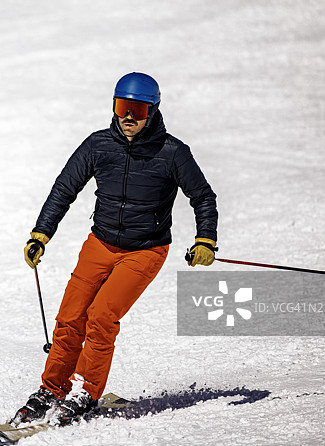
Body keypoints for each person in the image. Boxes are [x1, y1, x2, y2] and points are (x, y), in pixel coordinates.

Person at [11, 72, 218, 427]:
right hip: (100, 243)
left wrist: (205, 240)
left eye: (137, 109)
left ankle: (86, 391)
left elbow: (202, 196)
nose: (128, 116)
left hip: (145, 250)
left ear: (152, 111)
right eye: (122, 107)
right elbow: (64, 188)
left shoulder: (172, 153)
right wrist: (40, 234)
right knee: (71, 315)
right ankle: (52, 388)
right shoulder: (97, 145)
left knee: (102, 316)